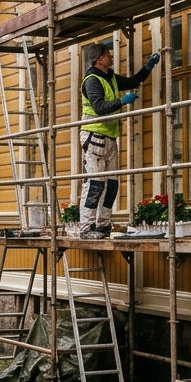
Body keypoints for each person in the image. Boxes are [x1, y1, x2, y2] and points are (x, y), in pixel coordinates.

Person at [78, 40, 160, 239]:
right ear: (100, 59)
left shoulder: (110, 77)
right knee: (95, 183)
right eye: (109, 55)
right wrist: (122, 101)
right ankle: (86, 228)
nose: (112, 57)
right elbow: (99, 107)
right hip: (94, 135)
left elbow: (132, 82)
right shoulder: (92, 80)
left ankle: (103, 225)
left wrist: (147, 68)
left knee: (111, 184)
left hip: (109, 137)